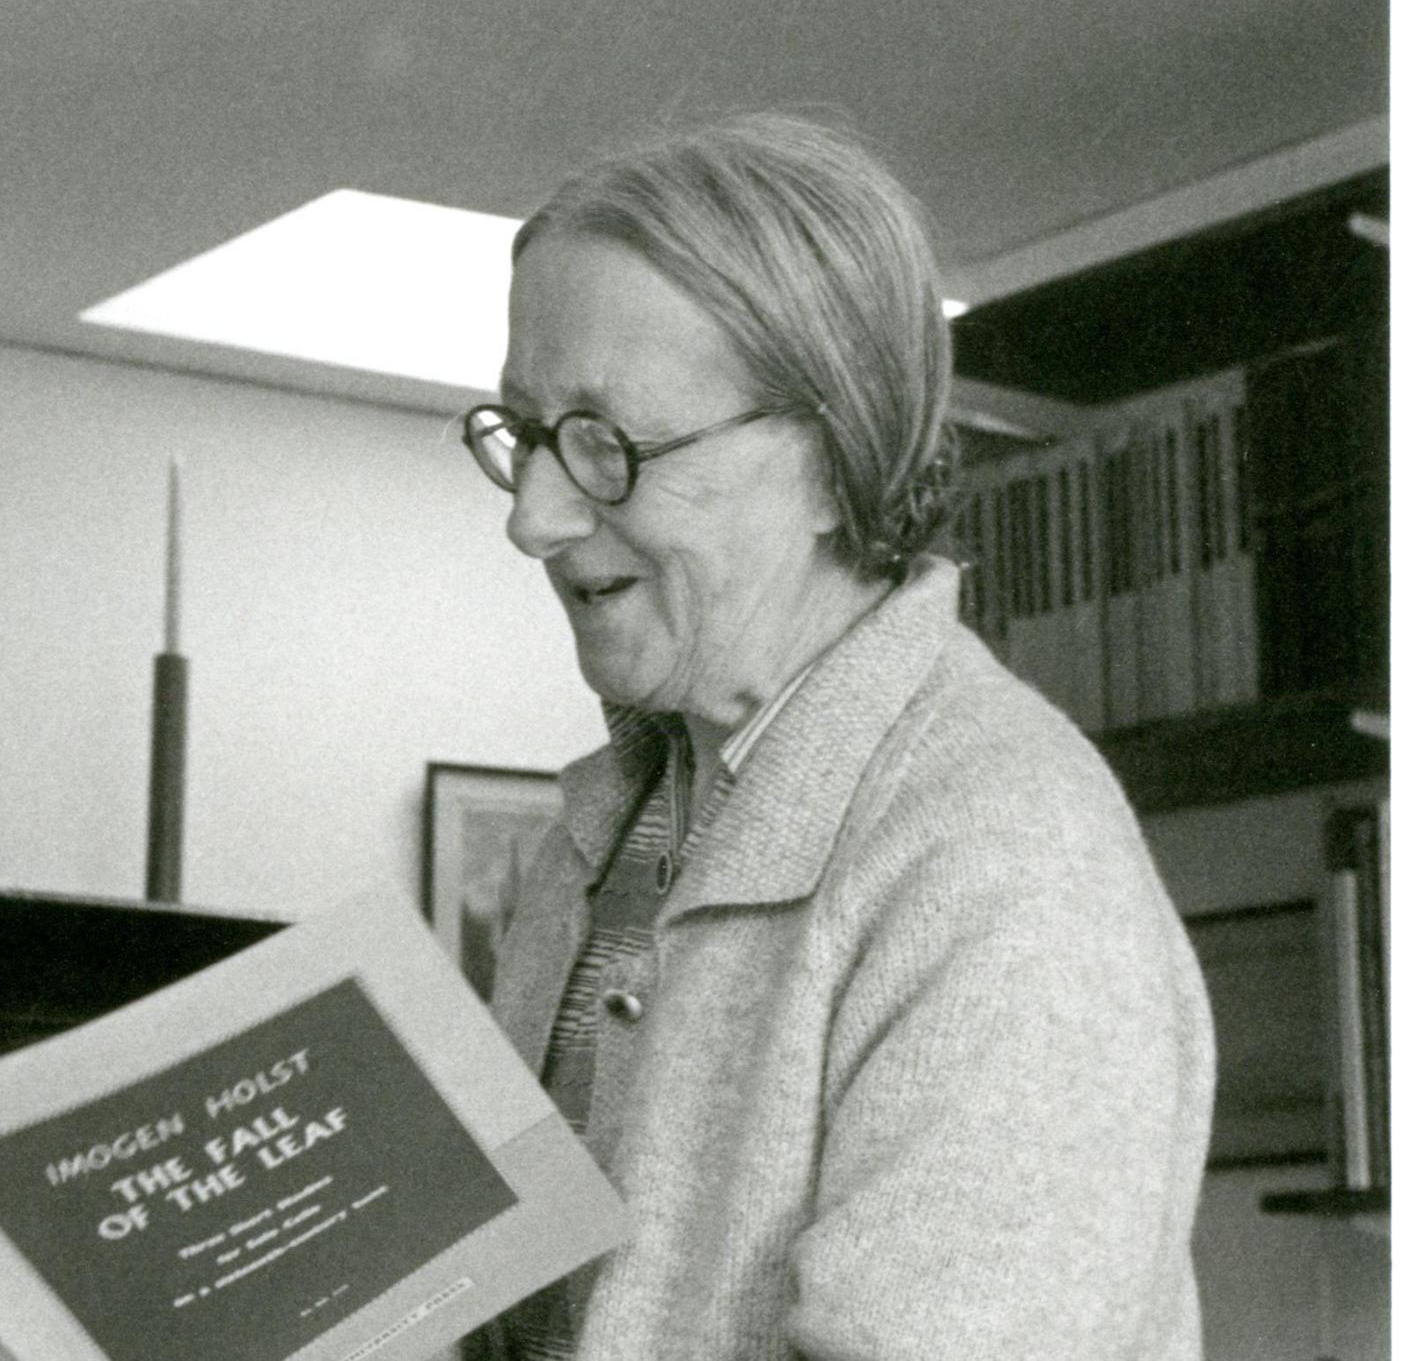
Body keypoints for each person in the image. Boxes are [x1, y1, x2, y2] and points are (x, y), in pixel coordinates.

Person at [457, 114, 1213, 1358]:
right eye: (527, 434)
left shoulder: (1007, 859)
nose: (533, 518)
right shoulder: (619, 826)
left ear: (826, 453)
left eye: (603, 445)